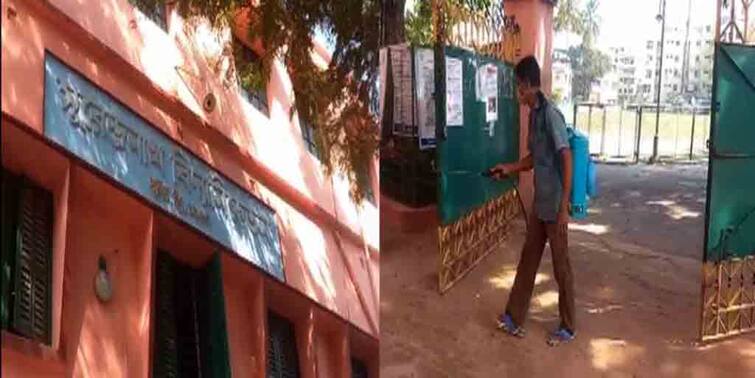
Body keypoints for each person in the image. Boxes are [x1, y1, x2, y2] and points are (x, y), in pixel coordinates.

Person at [489, 55, 576, 346]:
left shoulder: (551, 114)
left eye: (518, 88)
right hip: (540, 205)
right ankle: (513, 317)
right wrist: (509, 168)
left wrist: (564, 206)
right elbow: (533, 160)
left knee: (561, 266)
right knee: (528, 258)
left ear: (528, 85)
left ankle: (568, 326)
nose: (518, 94)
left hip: (555, 206)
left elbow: (566, 156)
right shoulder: (533, 115)